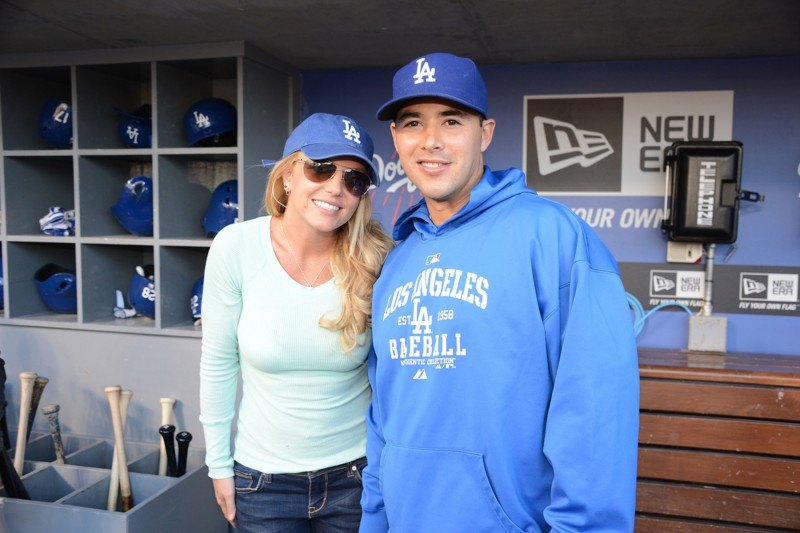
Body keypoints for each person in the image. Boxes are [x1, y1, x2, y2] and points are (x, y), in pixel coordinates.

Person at [360, 53, 640, 532]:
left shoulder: (553, 237)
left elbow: (594, 418)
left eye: (451, 121)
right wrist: (375, 522)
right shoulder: (397, 261)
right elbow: (385, 419)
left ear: (485, 133)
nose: (430, 141)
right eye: (412, 123)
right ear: (396, 141)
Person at [199, 112, 393, 532]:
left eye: (353, 179)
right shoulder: (236, 247)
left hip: (355, 479)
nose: (335, 189)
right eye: (320, 168)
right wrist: (218, 465)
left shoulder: (377, 260)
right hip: (262, 483)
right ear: (287, 175)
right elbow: (218, 362)